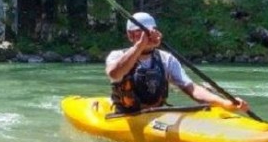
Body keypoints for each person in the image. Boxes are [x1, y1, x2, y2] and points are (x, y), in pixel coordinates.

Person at [106, 12, 250, 114]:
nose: (149, 35)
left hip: (156, 114)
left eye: (152, 31)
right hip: (127, 115)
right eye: (141, 31)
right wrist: (140, 46)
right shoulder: (117, 56)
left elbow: (191, 88)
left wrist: (224, 103)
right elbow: (115, 73)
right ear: (130, 35)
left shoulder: (166, 59)